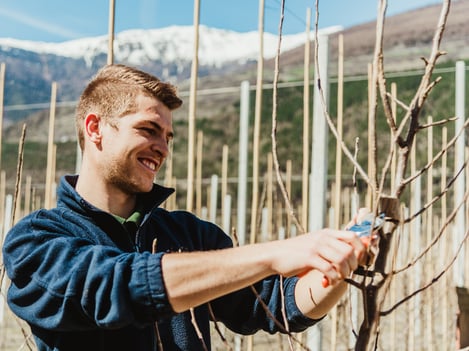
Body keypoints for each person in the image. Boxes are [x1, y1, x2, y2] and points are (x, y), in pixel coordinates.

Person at [2, 64, 367, 351]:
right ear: (95, 128)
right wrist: (273, 254)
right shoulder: (36, 241)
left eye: (168, 136)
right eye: (148, 129)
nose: (163, 147)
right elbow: (116, 286)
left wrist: (335, 265)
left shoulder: (188, 234)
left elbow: (275, 305)